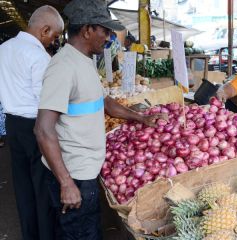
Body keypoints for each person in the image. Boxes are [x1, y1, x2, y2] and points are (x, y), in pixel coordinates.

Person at [34, 0, 166, 239]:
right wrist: (66, 183)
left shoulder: (83, 61)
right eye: (104, 30)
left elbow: (104, 102)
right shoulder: (63, 67)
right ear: (87, 30)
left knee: (88, 231)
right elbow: (43, 130)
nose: (109, 37)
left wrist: (141, 118)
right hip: (74, 175)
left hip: (85, 172)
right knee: (81, 234)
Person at [0, 5, 64, 240]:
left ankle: (30, 234)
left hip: (13, 126)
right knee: (43, 186)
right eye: (54, 36)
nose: (53, 41)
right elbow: (45, 101)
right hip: (37, 127)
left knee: (23, 186)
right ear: (44, 29)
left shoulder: (3, 49)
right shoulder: (39, 56)